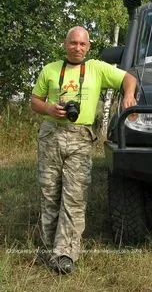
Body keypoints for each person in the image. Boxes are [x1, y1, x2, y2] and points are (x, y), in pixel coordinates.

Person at [30, 26, 137, 273]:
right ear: (65, 44)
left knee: (74, 196)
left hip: (80, 139)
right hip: (51, 137)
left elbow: (128, 78)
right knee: (49, 194)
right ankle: (48, 248)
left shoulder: (97, 68)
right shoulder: (50, 69)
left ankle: (65, 255)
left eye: (82, 44)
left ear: (88, 47)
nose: (77, 48)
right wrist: (49, 109)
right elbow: (35, 101)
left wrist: (128, 96)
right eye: (73, 43)